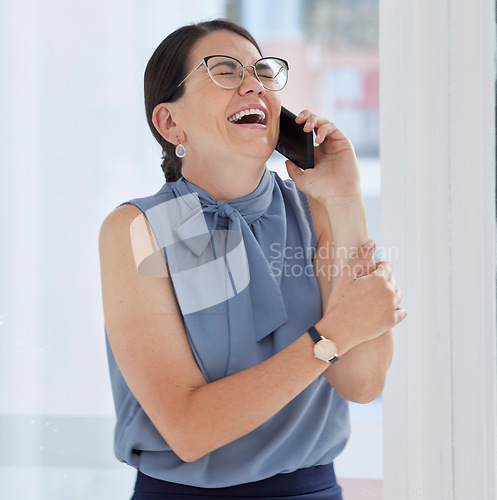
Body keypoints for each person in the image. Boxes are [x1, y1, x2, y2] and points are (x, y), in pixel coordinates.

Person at [99, 19, 406, 500]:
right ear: (169, 123)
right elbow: (189, 429)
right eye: (224, 71)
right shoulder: (141, 231)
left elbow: (362, 382)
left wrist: (345, 198)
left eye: (262, 72)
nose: (253, 84)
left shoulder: (318, 211)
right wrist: (334, 334)